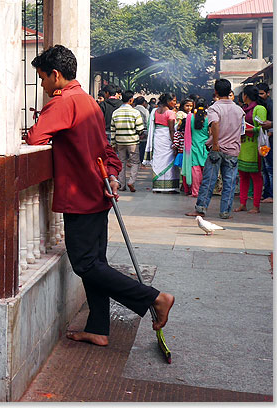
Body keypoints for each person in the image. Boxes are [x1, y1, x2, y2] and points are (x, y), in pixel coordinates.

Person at [25, 45, 174, 347]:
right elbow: (105, 150)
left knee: (86, 264)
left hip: (79, 193)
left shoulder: (64, 102)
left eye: (42, 78)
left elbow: (34, 137)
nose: (42, 85)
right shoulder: (90, 102)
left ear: (55, 75)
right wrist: (114, 175)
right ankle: (98, 327)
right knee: (96, 262)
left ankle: (154, 298)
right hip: (98, 190)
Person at [186, 79, 245, 219]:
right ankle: (225, 212)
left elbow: (215, 124)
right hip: (233, 150)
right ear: (230, 92)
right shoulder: (239, 110)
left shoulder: (214, 108)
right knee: (229, 183)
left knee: (209, 180)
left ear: (216, 92)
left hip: (217, 150)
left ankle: (201, 209)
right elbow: (242, 131)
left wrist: (216, 143)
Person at [236, 85, 268, 213]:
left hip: (255, 146)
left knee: (256, 176)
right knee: (243, 176)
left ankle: (256, 206)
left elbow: (262, 127)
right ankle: (243, 203)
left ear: (246, 96)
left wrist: (248, 129)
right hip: (243, 145)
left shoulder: (259, 109)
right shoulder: (243, 109)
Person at [110, 90, 145, 192]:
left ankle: (121, 185)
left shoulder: (115, 113)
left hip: (119, 142)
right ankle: (131, 181)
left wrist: (113, 143)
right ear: (131, 100)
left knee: (121, 163)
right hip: (133, 142)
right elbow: (140, 129)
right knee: (135, 162)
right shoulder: (135, 112)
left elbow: (113, 130)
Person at [146, 93, 179, 192]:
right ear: (168, 101)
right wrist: (175, 143)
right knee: (168, 161)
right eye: (173, 100)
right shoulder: (170, 113)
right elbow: (171, 130)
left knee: (159, 161)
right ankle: (169, 187)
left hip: (157, 138)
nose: (175, 103)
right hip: (167, 139)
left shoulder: (155, 111)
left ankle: (157, 186)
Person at [181, 98, 210, 198]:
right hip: (205, 147)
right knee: (205, 170)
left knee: (196, 170)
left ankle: (195, 192)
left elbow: (187, 132)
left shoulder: (190, 117)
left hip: (193, 147)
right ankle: (205, 192)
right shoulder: (208, 117)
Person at [256, 82, 273, 202]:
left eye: (262, 94)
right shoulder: (262, 105)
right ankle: (267, 192)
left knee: (270, 168)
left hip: (269, 140)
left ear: (268, 93)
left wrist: (268, 134)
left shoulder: (271, 105)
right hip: (265, 140)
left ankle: (271, 194)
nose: (260, 96)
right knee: (265, 168)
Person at [133, 97, 151, 163]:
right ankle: (141, 161)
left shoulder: (133, 110)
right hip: (144, 131)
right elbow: (147, 121)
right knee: (142, 147)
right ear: (143, 103)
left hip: (134, 131)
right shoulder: (145, 111)